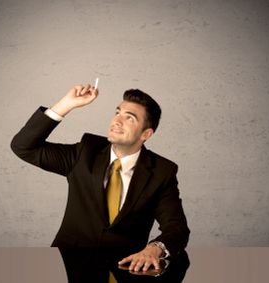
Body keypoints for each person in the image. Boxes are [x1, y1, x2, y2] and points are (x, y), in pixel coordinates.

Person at [11, 83, 190, 272]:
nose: (117, 121)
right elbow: (24, 147)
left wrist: (156, 248)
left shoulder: (162, 171)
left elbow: (176, 227)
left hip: (125, 270)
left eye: (129, 118)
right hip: (68, 266)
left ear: (146, 134)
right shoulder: (85, 152)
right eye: (117, 113)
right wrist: (66, 104)